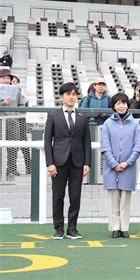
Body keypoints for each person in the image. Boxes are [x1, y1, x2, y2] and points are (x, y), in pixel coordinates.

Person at [44, 82, 91, 240]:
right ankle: (58, 229)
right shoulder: (53, 116)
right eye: (68, 94)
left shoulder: (82, 118)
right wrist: (49, 163)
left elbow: (87, 142)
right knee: (58, 196)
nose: (72, 97)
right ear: (61, 97)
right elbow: (47, 141)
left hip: (77, 162)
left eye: (74, 94)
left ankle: (72, 228)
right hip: (58, 162)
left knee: (75, 196)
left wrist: (87, 163)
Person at [101, 93, 140, 239]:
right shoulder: (107, 124)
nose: (121, 106)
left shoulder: (135, 124)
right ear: (113, 106)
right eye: (118, 103)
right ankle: (115, 227)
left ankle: (124, 227)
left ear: (127, 105)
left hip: (128, 167)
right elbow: (105, 147)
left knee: (125, 199)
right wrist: (114, 164)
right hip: (111, 168)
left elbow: (138, 146)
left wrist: (127, 163)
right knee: (113, 199)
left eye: (123, 103)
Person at [0, 68, 21, 181]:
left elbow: (22, 105)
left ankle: (11, 171)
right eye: (3, 78)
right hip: (0, 123)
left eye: (8, 78)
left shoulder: (16, 91)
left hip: (13, 123)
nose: (6, 80)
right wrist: (3, 103)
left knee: (13, 149)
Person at [11, 75, 31, 175]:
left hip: (22, 122)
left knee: (25, 147)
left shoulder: (22, 93)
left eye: (16, 81)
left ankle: (29, 168)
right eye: (12, 81)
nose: (14, 83)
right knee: (13, 147)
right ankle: (12, 169)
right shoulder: (8, 93)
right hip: (13, 122)